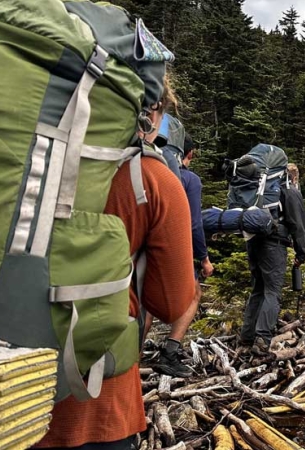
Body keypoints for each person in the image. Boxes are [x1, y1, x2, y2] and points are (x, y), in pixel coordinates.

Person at [37, 75, 196, 449]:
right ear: (150, 111)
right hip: (94, 403)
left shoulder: (8, 157)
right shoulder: (150, 178)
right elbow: (171, 302)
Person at [151, 133, 214, 377]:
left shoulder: (151, 170)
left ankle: (130, 358)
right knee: (193, 295)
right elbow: (195, 224)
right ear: (189, 153)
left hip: (147, 245)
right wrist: (204, 259)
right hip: (177, 248)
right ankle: (170, 352)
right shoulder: (190, 180)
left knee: (144, 304)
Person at [238, 163, 305, 355]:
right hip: (274, 244)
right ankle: (262, 338)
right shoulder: (289, 191)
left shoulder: (263, 190)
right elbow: (297, 224)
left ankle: (247, 335)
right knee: (272, 291)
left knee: (258, 288)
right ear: (294, 177)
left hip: (253, 240)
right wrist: (301, 253)